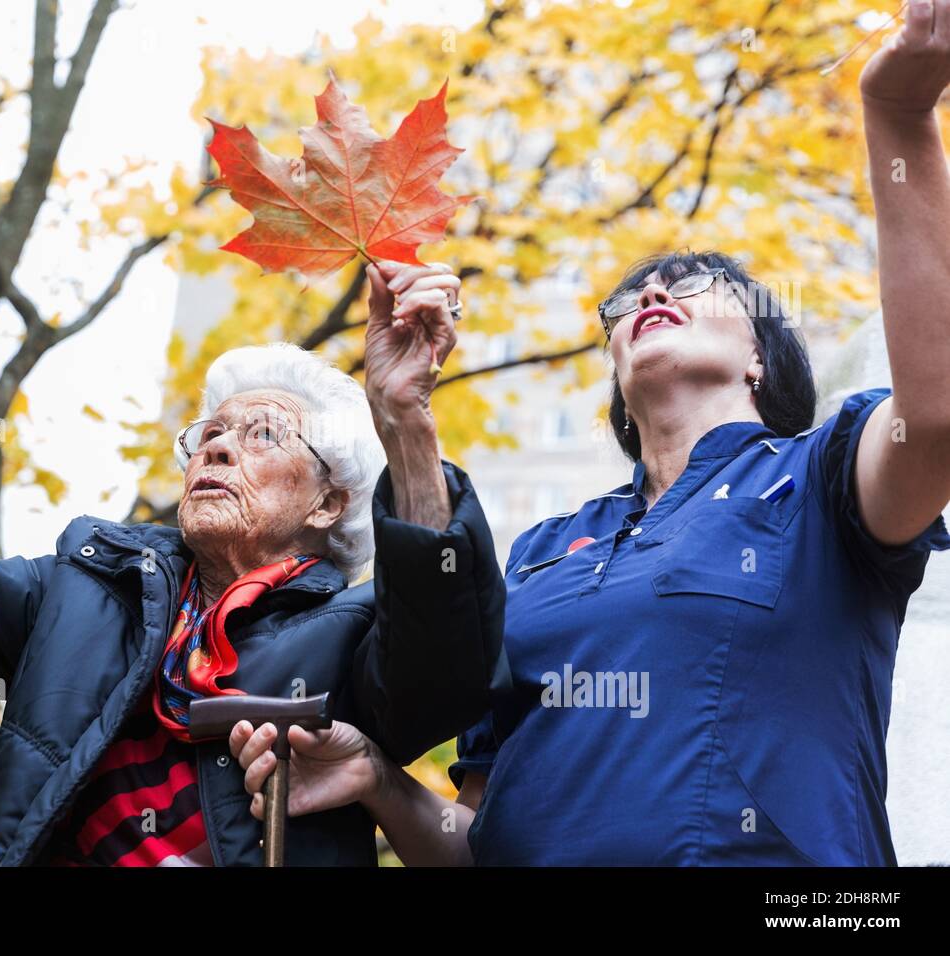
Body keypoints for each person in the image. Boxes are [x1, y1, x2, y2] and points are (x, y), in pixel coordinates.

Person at [229, 7, 950, 865]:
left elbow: (936, 418)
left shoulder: (819, 480)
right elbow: (478, 840)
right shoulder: (539, 553)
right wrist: (383, 781)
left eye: (697, 284)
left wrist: (901, 117)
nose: (654, 294)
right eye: (631, 299)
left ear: (761, 355)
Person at [0, 258, 507, 866]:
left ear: (329, 502)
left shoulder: (359, 634)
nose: (219, 444)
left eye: (261, 433)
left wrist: (404, 421)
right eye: (208, 433)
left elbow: (443, 670)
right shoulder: (87, 587)